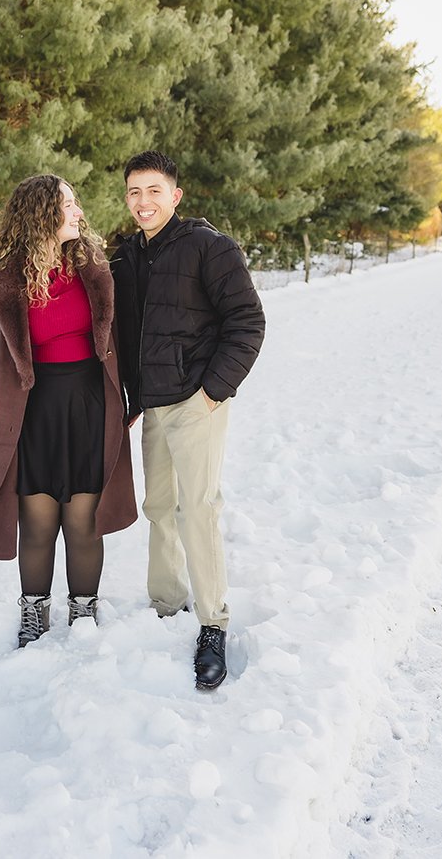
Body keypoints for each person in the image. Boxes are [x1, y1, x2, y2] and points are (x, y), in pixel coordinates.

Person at [111, 151, 265, 690]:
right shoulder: (126, 258)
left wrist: (213, 391)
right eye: (134, 191)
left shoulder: (210, 247)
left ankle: (212, 622)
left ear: (175, 196)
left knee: (196, 509)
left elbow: (247, 321)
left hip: (197, 401)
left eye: (154, 190)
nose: (143, 201)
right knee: (158, 507)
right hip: (153, 403)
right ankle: (166, 602)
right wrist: (130, 401)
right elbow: (126, 337)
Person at [0, 174, 137, 648]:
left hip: (89, 404)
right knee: (38, 522)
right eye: (68, 203)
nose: (78, 212)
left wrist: (135, 396)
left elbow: (123, 339)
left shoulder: (93, 268)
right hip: (32, 411)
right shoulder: (5, 281)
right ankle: (34, 616)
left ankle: (84, 615)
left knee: (84, 519)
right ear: (42, 213)